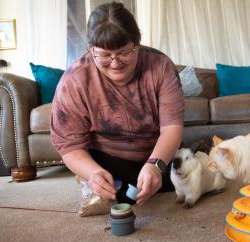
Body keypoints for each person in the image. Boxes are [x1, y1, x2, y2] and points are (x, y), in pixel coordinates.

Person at [50, 2, 184, 205]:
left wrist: (155, 165)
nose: (115, 63)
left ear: (136, 43)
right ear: (90, 49)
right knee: (117, 191)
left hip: (156, 153)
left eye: (123, 52)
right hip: (107, 159)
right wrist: (93, 173)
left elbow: (171, 128)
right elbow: (68, 145)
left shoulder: (161, 66)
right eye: (104, 55)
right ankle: (90, 178)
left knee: (186, 177)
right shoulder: (74, 80)